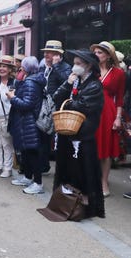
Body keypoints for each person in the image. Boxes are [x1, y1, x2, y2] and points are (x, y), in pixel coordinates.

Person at [51, 49, 105, 219]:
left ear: (88, 66)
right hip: (68, 133)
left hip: (84, 135)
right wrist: (67, 84)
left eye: (78, 64)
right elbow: (57, 97)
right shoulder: (74, 81)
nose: (75, 67)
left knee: (84, 172)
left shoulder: (95, 85)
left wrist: (70, 103)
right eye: (74, 63)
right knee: (67, 170)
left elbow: (83, 106)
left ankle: (84, 208)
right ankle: (65, 204)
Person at [6, 56, 46, 194]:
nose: (20, 67)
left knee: (32, 152)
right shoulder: (30, 80)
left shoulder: (30, 82)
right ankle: (28, 177)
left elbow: (27, 104)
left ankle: (37, 183)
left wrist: (13, 98)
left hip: (28, 122)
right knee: (26, 152)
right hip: (26, 121)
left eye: (22, 65)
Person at [90, 41, 126, 197]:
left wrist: (118, 118)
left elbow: (119, 98)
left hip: (108, 112)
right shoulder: (91, 70)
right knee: (91, 145)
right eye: (95, 52)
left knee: (106, 148)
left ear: (108, 55)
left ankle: (104, 182)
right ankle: (91, 179)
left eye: (100, 52)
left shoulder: (118, 73)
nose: (96, 55)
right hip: (91, 109)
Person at [39, 40, 72, 174]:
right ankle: (44, 166)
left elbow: (67, 83)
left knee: (60, 140)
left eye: (49, 52)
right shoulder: (45, 66)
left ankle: (62, 171)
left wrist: (57, 66)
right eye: (45, 52)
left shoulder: (65, 67)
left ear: (58, 54)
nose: (46, 55)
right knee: (43, 136)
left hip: (59, 107)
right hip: (45, 107)